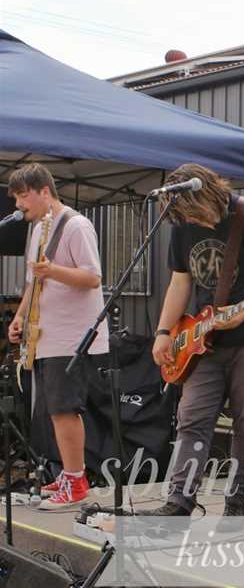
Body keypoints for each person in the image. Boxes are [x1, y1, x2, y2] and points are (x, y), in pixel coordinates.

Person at [143, 163, 244, 528]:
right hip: (204, 339)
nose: (199, 221)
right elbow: (181, 282)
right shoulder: (181, 226)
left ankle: (236, 505)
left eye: (200, 213)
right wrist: (164, 332)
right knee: (192, 417)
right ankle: (180, 501)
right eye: (190, 216)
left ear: (210, 191)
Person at [7, 163, 109, 509]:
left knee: (65, 410)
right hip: (45, 335)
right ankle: (68, 474)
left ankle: (78, 483)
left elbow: (93, 278)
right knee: (52, 411)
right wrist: (19, 316)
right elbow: (33, 282)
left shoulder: (76, 226)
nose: (19, 204)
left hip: (71, 336)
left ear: (44, 191)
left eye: (23, 196)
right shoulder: (37, 229)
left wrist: (53, 270)